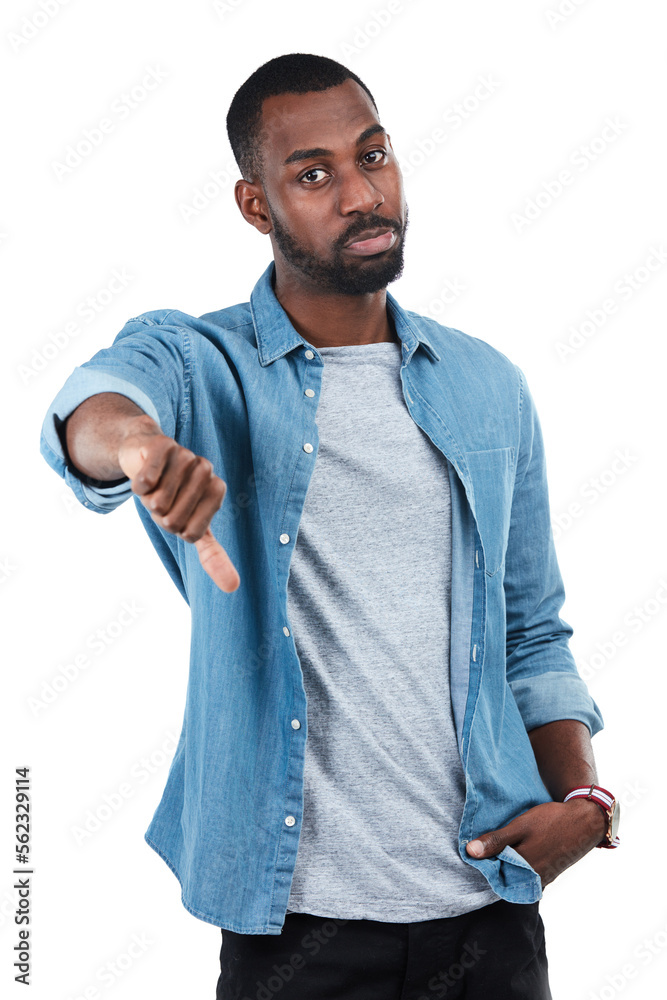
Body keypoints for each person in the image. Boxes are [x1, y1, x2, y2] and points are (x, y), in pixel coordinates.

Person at [40, 52, 620, 999]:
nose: (361, 193)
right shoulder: (205, 362)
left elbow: (531, 629)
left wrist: (584, 805)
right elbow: (93, 404)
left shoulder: (487, 387)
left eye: (374, 156)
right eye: (314, 174)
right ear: (256, 206)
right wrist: (141, 448)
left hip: (489, 912)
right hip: (297, 930)